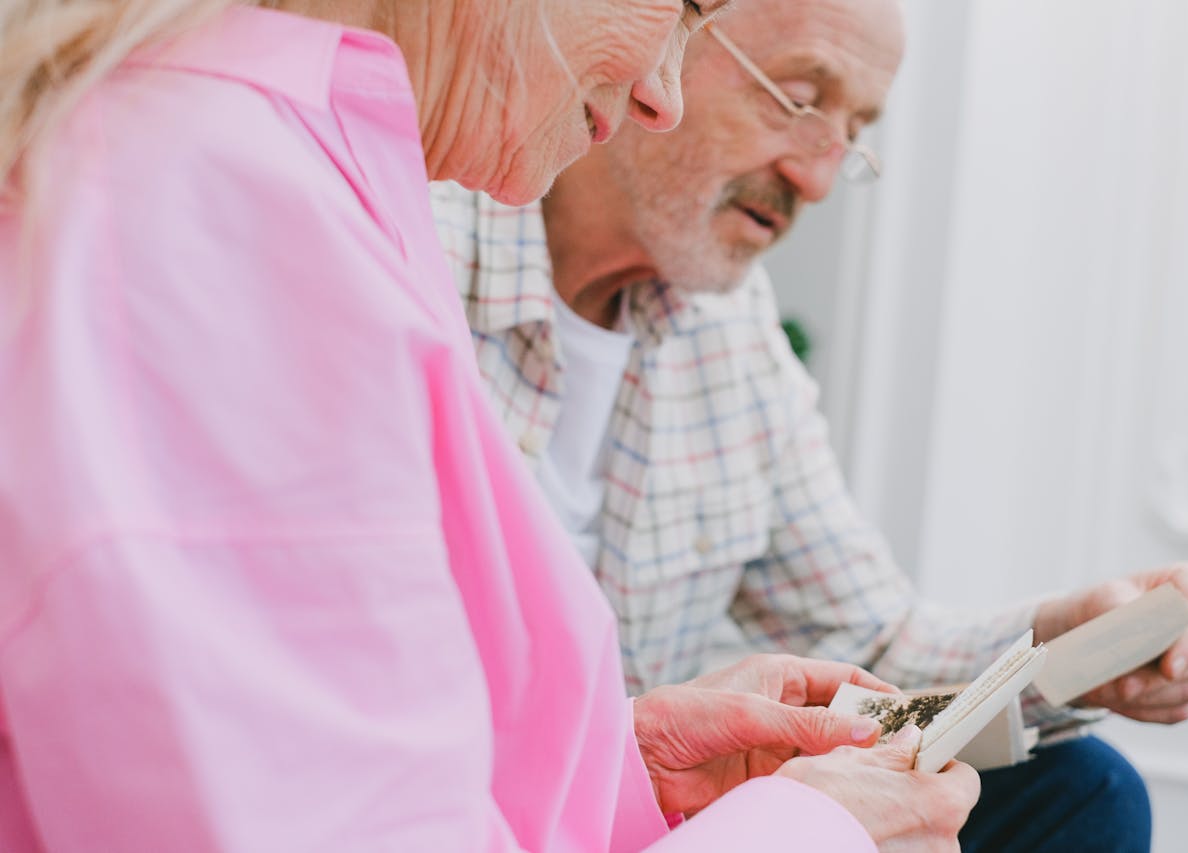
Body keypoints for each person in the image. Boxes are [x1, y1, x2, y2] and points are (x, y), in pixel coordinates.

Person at [0, 0, 984, 849]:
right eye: (682, 10)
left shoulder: (315, 165)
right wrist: (819, 830)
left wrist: (613, 767)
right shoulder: (222, 208)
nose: (660, 95)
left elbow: (356, 742)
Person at [431, 0, 1188, 849]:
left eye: (851, 133)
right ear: (663, 35)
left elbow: (873, 641)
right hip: (457, 804)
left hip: (647, 806)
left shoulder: (729, 330)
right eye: (800, 98)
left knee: (1081, 790)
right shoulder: (419, 238)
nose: (816, 179)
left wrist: (1064, 640)